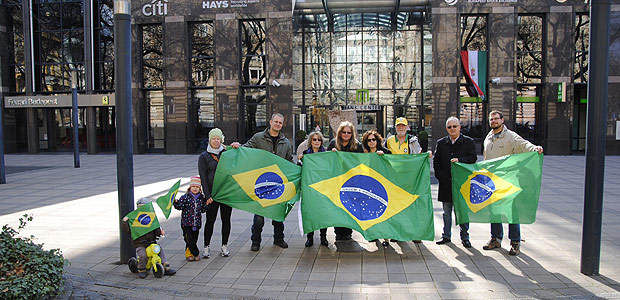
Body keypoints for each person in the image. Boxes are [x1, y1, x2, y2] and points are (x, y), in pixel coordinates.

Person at [482, 110, 543, 256]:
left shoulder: (510, 136)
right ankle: (495, 238)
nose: (494, 121)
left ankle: (515, 242)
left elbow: (524, 145)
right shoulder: (488, 137)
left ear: (502, 120)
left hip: (509, 180)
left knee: (512, 212)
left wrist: (535, 148)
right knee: (494, 211)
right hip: (492, 181)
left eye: (496, 119)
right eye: (491, 119)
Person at [231, 113, 293, 251]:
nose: (278, 124)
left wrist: (298, 169)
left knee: (278, 214)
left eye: (280, 123)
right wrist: (237, 146)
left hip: (278, 183)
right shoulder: (259, 137)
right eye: (275, 122)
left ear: (282, 125)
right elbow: (246, 149)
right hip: (261, 182)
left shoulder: (286, 142)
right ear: (270, 122)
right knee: (259, 215)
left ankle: (279, 239)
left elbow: (288, 160)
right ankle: (256, 241)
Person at [433, 117, 477, 248]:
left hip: (462, 184)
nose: (452, 129)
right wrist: (440, 175)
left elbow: (473, 158)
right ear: (446, 129)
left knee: (463, 212)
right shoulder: (441, 143)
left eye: (454, 126)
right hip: (446, 183)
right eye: (449, 127)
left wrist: (460, 160)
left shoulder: (469, 142)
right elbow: (436, 161)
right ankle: (446, 236)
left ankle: (465, 237)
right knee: (446, 212)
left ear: (459, 127)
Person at [385, 117, 423, 243]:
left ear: (407, 127)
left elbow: (419, 155)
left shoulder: (413, 141)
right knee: (395, 206)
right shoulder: (390, 140)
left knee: (411, 206)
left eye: (403, 125)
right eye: (398, 126)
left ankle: (414, 234)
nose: (401, 128)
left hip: (409, 178)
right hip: (394, 179)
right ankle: (396, 233)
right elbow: (384, 154)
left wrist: (426, 155)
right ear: (395, 127)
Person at [326, 121, 364, 241]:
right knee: (338, 207)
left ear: (352, 133)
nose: (346, 134)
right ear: (340, 133)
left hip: (351, 182)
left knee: (349, 207)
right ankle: (338, 232)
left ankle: (348, 232)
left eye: (349, 132)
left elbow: (362, 163)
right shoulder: (333, 143)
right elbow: (326, 160)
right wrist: (330, 154)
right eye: (344, 132)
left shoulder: (357, 146)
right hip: (336, 181)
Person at [122, 198, 176, 278]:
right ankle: (141, 268)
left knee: (160, 249)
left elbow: (156, 228)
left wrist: (160, 232)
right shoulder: (135, 219)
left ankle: (165, 265)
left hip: (151, 242)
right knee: (143, 255)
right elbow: (128, 230)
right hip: (140, 243)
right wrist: (125, 222)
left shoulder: (150, 218)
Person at [199, 128, 232, 258]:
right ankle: (206, 247)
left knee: (226, 220)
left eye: (218, 138)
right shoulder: (204, 156)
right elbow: (203, 177)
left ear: (221, 140)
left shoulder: (226, 153)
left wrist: (235, 146)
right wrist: (207, 196)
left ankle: (224, 246)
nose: (216, 141)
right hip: (212, 196)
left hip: (225, 194)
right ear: (210, 140)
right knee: (210, 221)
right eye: (214, 138)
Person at [298, 131, 328, 247]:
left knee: (322, 213)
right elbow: (299, 170)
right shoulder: (305, 154)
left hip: (323, 187)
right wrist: (300, 161)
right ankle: (309, 238)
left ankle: (323, 237)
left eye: (319, 139)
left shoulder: (326, 154)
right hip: (309, 188)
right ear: (310, 141)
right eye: (314, 139)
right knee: (309, 212)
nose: (317, 142)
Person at [362, 129, 391, 248]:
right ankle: (373, 234)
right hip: (368, 186)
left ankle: (386, 238)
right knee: (371, 210)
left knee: (383, 211)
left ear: (377, 140)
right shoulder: (364, 153)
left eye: (374, 139)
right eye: (369, 140)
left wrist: (384, 158)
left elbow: (392, 166)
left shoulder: (385, 152)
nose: (371, 142)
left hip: (382, 186)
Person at [173, 176, 209, 261]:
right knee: (189, 239)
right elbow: (180, 207)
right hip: (186, 223)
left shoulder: (201, 198)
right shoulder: (185, 197)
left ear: (200, 189)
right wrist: (175, 203)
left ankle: (190, 253)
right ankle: (195, 253)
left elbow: (203, 210)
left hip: (196, 223)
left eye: (197, 187)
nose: (195, 189)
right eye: (193, 187)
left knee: (194, 239)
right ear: (190, 187)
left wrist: (208, 205)